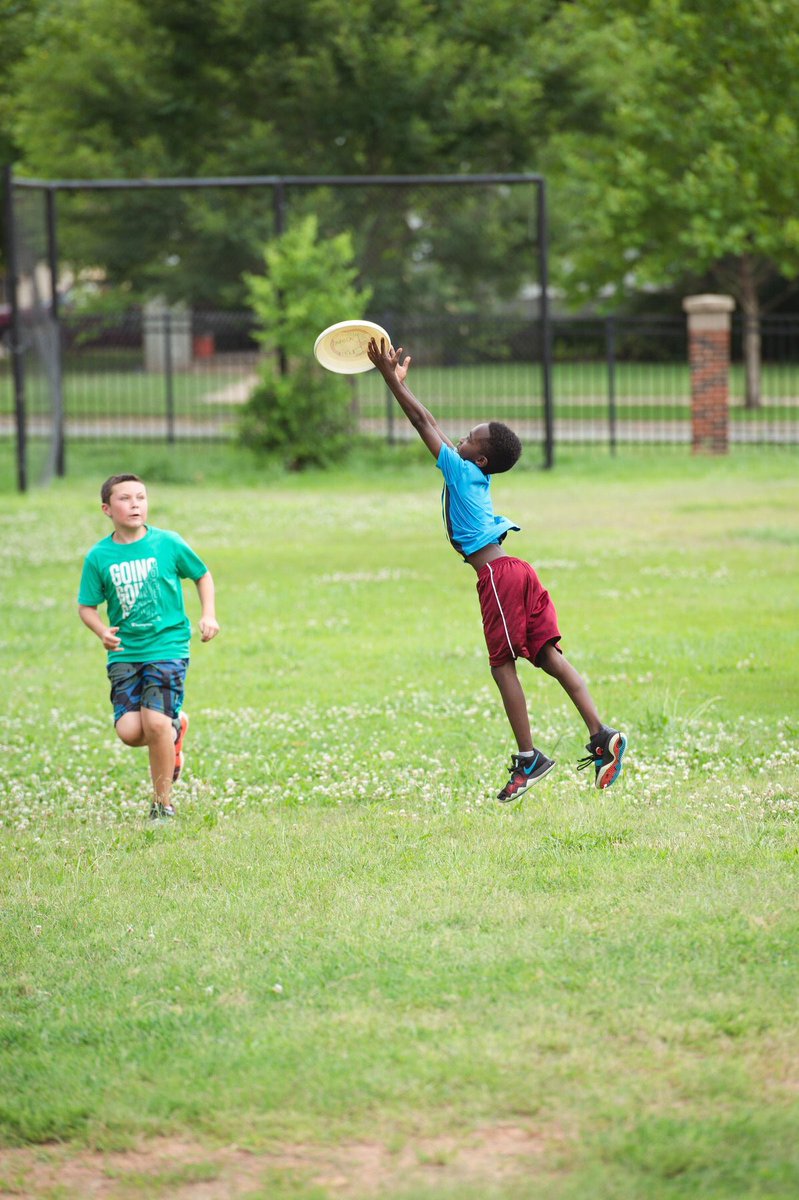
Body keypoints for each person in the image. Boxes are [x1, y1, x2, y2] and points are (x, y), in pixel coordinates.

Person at [366, 337, 627, 802]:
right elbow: (439, 430)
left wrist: (388, 378)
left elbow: (423, 422)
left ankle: (529, 759)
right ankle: (602, 734)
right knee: (547, 656)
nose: (458, 440)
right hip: (518, 570)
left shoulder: (461, 470)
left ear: (479, 456)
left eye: (468, 439)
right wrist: (401, 385)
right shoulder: (471, 470)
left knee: (502, 666)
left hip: (498, 578)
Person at [78, 474, 220, 819]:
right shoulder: (99, 556)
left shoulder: (167, 543)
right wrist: (102, 632)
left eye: (140, 497)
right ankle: (176, 728)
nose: (135, 504)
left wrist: (208, 615)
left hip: (167, 647)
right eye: (124, 499)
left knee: (154, 724)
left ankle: (162, 804)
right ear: (107, 509)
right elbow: (86, 606)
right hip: (126, 654)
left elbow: (202, 575)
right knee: (129, 732)